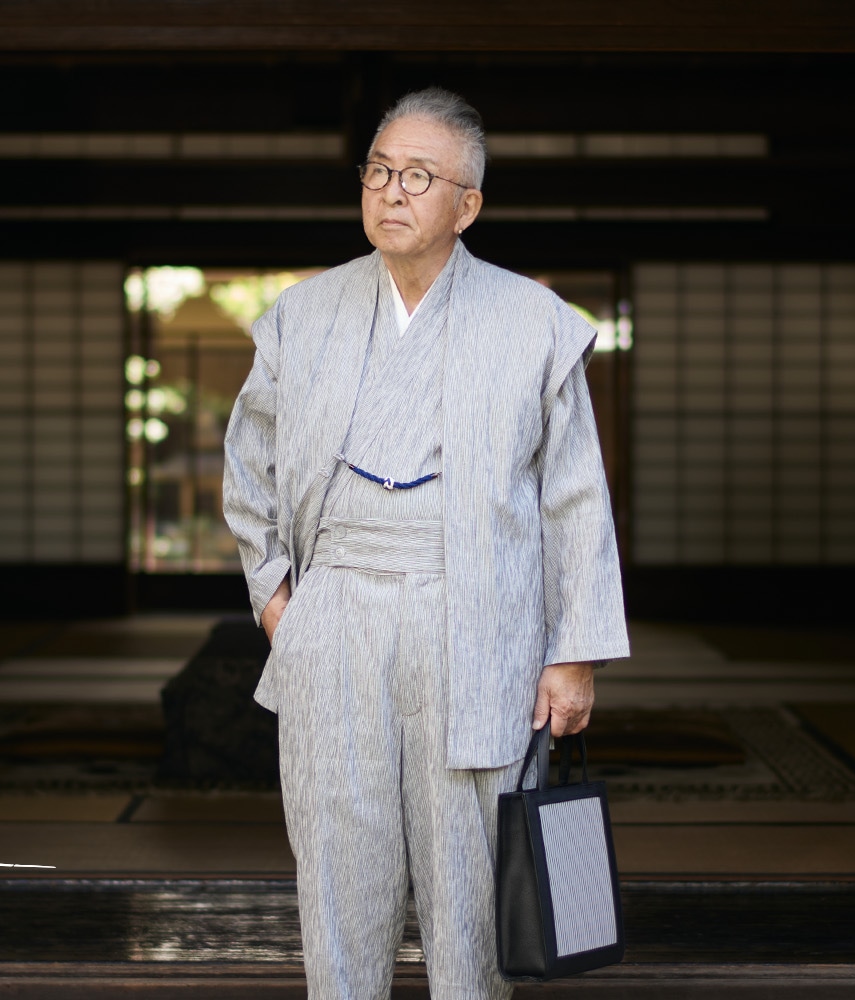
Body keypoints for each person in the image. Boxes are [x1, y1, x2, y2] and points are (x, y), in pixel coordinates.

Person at [221, 86, 629, 999]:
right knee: (338, 855)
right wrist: (277, 596)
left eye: (417, 176)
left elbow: (575, 498)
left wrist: (576, 655)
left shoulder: (532, 323)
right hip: (340, 607)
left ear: (467, 205)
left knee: (470, 875)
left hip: (476, 610)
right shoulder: (304, 313)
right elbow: (247, 465)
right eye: (377, 171)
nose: (391, 192)